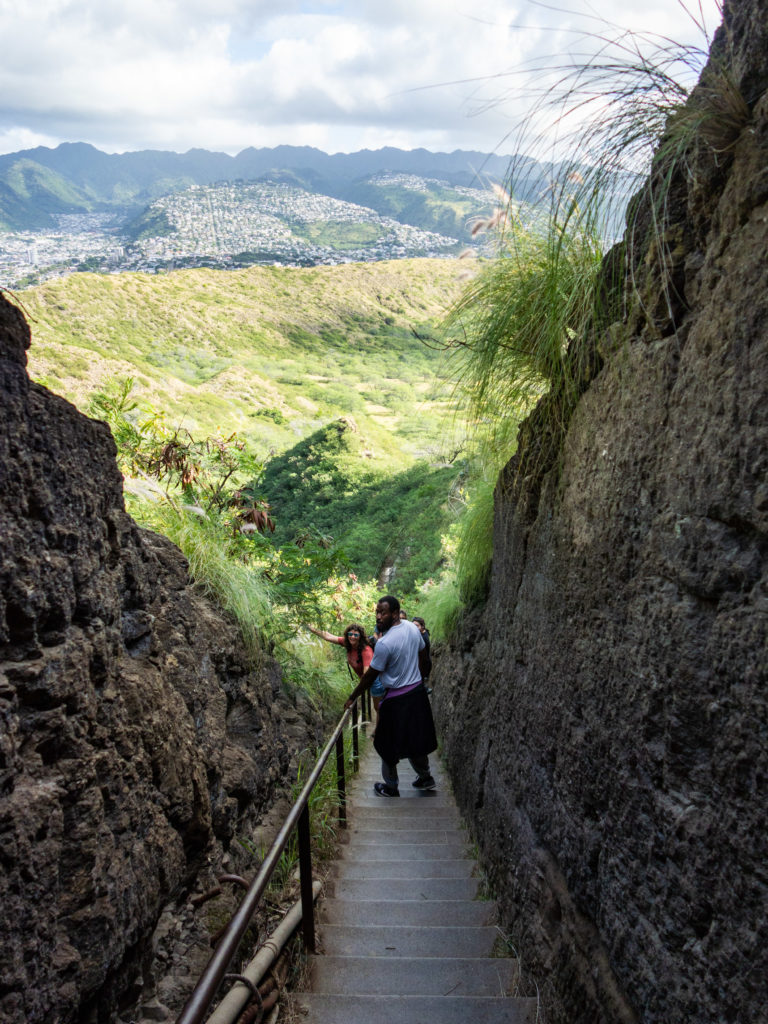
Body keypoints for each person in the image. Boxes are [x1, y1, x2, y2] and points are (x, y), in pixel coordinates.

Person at [344, 595, 437, 797]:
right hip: (416, 693)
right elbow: (423, 655)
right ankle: (425, 777)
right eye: (377, 612)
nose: (378, 616)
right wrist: (420, 679)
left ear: (394, 613)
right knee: (416, 739)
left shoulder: (385, 644)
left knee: (385, 743)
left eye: (383, 612)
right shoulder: (413, 629)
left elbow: (370, 677)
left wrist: (352, 697)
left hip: (396, 699)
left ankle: (391, 786)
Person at [306, 622, 374, 682]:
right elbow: (327, 636)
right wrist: (311, 628)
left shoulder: (366, 651)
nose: (352, 637)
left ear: (360, 637)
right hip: (365, 681)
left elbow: (367, 675)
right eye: (350, 634)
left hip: (375, 681)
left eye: (356, 635)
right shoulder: (347, 642)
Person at [412, 616, 432, 692]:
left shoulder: (422, 638)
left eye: (416, 626)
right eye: (413, 626)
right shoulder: (424, 633)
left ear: (422, 626)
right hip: (425, 663)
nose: (414, 628)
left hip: (424, 664)